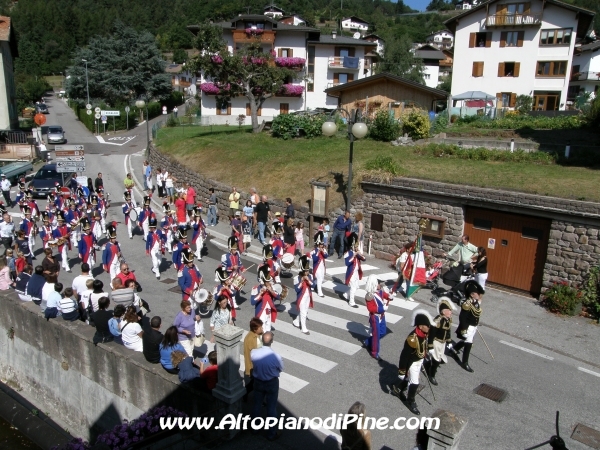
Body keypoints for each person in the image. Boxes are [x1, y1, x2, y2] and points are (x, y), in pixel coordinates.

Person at [391, 309, 434, 415]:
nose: (429, 327)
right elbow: (404, 356)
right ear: (420, 326)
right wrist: (402, 370)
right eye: (427, 325)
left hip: (419, 360)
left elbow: (423, 346)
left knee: (409, 378)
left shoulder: (424, 333)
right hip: (412, 362)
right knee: (415, 382)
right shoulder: (412, 339)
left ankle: (397, 388)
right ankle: (411, 401)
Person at [251, 331, 283, 441]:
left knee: (257, 405)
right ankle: (271, 433)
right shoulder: (276, 357)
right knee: (271, 408)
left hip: (258, 381)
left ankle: (255, 429)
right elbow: (281, 369)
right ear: (272, 341)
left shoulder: (254, 353)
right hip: (271, 383)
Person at [448, 280, 484, 373]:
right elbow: (462, 318)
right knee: (468, 343)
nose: (479, 294)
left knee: (467, 341)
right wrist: (463, 329)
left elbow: (477, 309)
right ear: (472, 295)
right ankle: (465, 363)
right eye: (477, 293)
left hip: (474, 326)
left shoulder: (476, 301)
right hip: (468, 327)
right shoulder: (467, 304)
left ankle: (454, 349)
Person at [426, 297, 455, 386]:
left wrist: (449, 342)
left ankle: (431, 365)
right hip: (435, 342)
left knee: (439, 357)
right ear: (443, 312)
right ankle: (432, 375)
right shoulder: (437, 321)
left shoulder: (448, 319)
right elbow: (431, 335)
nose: (451, 312)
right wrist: (430, 346)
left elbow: (448, 331)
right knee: (436, 360)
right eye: (449, 311)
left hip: (442, 343)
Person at [364, 276, 392, 360]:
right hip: (375, 317)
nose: (380, 285)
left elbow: (385, 295)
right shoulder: (369, 295)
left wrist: (390, 296)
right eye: (379, 283)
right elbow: (370, 308)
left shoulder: (380, 291)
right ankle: (374, 352)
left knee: (383, 332)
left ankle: (368, 341)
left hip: (382, 316)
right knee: (376, 335)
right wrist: (381, 308)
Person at [251, 267, 279, 332]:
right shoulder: (256, 288)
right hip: (261, 314)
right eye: (267, 281)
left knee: (268, 328)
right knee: (261, 331)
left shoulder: (272, 287)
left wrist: (272, 291)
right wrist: (260, 294)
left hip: (268, 312)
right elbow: (252, 302)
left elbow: (278, 297)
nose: (269, 282)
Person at [243, 317, 263, 402]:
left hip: (260, 363)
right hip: (255, 365)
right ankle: (246, 393)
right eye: (260, 328)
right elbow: (249, 356)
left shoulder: (259, 334)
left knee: (257, 383)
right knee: (256, 383)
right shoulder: (250, 339)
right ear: (255, 330)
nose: (262, 329)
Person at [292, 256, 313, 335]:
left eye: (308, 270)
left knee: (304, 310)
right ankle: (303, 328)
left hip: (308, 297)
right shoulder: (296, 278)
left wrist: (308, 280)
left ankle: (296, 321)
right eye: (306, 271)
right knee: (303, 312)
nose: (308, 272)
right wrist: (301, 282)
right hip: (301, 298)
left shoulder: (310, 276)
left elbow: (313, 285)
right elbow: (297, 290)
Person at [344, 233, 364, 308]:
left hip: (356, 274)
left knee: (356, 287)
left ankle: (346, 294)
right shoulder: (348, 253)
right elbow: (347, 263)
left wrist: (360, 253)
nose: (356, 246)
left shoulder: (356, 252)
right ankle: (351, 302)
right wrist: (354, 256)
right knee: (353, 287)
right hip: (351, 274)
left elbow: (364, 259)